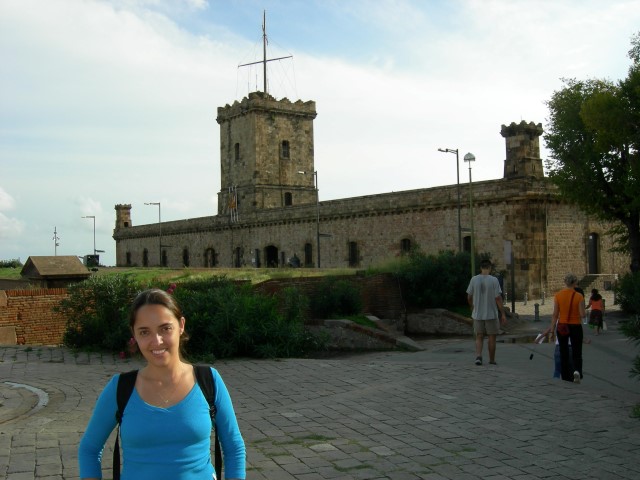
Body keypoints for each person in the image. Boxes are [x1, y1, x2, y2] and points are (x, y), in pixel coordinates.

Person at [78, 288, 246, 480]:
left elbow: (234, 447)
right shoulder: (120, 388)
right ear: (134, 333)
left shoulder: (208, 381)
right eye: (144, 332)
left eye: (165, 329)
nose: (156, 341)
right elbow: (89, 449)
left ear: (181, 325)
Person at [544, 273, 586, 384]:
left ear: (565, 282)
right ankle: (577, 371)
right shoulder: (579, 296)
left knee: (563, 351)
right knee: (577, 351)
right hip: (576, 325)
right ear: (575, 283)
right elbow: (582, 315)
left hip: (562, 325)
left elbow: (555, 315)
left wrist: (552, 331)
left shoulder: (558, 295)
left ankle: (566, 376)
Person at [466, 259, 507, 366]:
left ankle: (478, 356)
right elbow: (498, 298)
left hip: (477, 313)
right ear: (489, 268)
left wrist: (472, 306)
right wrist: (502, 313)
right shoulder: (494, 280)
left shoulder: (474, 279)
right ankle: (492, 359)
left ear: (481, 268)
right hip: (491, 314)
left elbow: (469, 296)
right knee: (492, 337)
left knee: (479, 336)